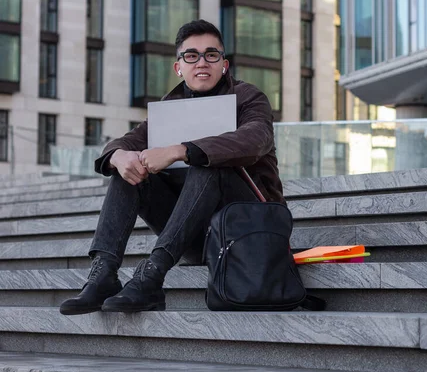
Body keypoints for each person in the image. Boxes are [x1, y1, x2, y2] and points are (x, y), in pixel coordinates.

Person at [59, 19, 285, 315]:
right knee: (129, 169)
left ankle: (152, 274)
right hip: (195, 235)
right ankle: (103, 274)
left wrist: (182, 150)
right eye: (191, 55)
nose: (202, 62)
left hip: (248, 229)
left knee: (209, 162)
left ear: (224, 64)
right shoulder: (169, 106)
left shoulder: (249, 98)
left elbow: (256, 138)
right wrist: (117, 157)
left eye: (211, 55)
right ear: (178, 67)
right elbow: (125, 142)